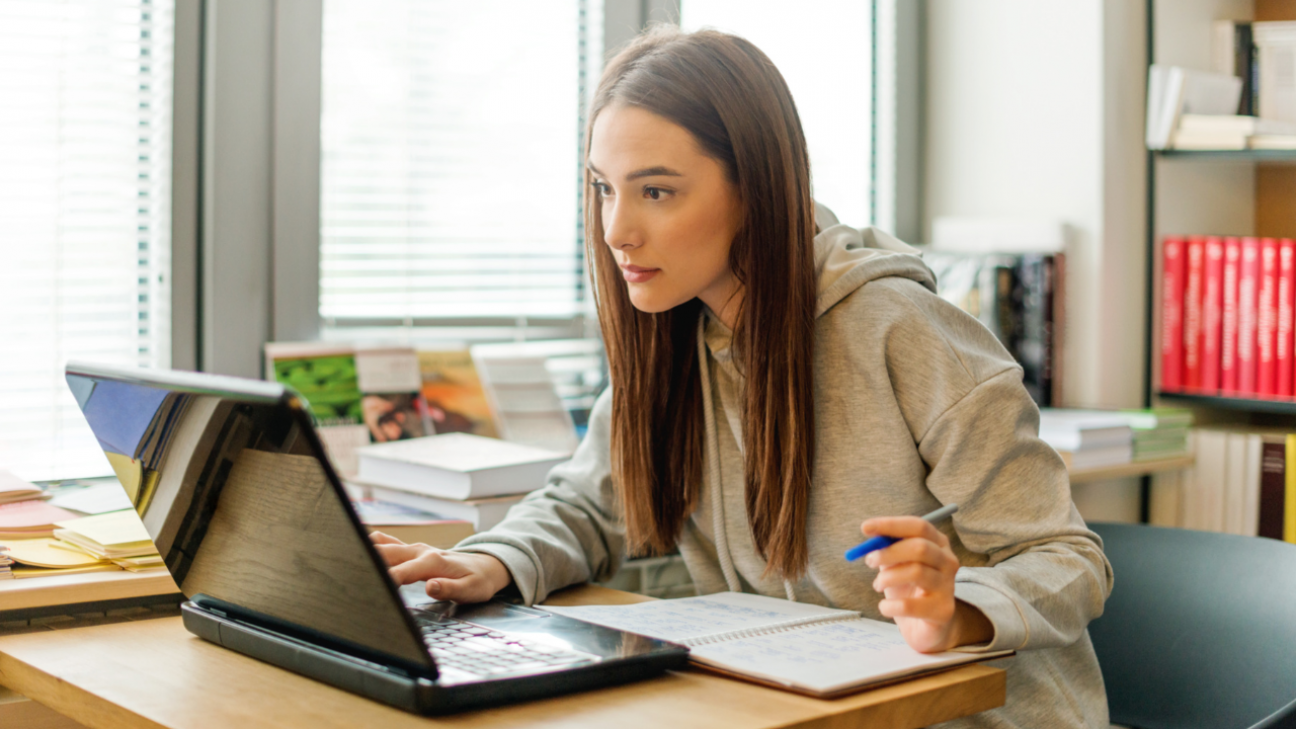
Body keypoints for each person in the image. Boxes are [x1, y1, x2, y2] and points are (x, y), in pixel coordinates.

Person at [369, 26, 1113, 728]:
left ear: (756, 188)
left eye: (656, 191)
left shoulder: (901, 329)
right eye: (604, 188)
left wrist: (958, 608)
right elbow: (589, 506)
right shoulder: (674, 329)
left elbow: (1066, 557)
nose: (616, 229)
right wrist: (489, 558)